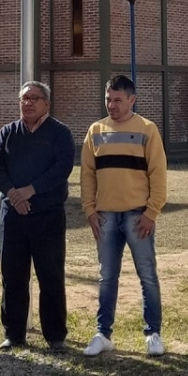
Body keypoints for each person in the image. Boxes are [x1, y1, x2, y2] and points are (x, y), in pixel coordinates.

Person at [80, 74, 167, 357]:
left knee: (147, 276)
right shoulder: (95, 130)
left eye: (118, 99)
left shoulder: (147, 129)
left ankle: (153, 333)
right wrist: (90, 210)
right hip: (105, 217)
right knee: (107, 277)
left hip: (137, 216)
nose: (112, 105)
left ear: (132, 99)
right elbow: (87, 175)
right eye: (108, 99)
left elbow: (158, 174)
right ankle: (103, 334)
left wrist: (151, 212)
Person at [0, 81, 75, 352]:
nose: (28, 103)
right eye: (24, 99)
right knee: (12, 276)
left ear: (46, 103)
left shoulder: (60, 133)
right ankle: (14, 333)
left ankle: (55, 336)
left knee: (50, 275)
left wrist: (30, 190)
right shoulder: (8, 132)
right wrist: (13, 194)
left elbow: (62, 168)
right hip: (12, 217)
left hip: (47, 217)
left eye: (34, 98)